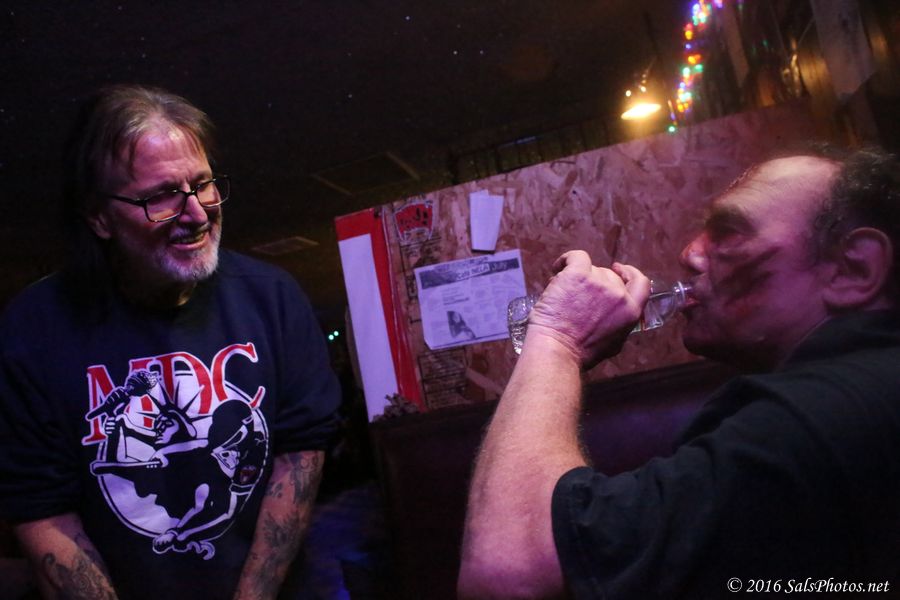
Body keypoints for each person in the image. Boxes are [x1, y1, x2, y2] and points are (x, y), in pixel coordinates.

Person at [458, 147, 900, 598]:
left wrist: (558, 337)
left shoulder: (812, 419)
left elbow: (508, 571)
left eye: (730, 232)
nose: (690, 253)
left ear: (853, 268)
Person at [0, 84, 342, 599]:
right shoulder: (35, 328)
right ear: (99, 217)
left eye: (203, 184)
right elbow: (39, 505)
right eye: (160, 196)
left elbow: (299, 456)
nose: (198, 213)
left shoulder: (272, 297)